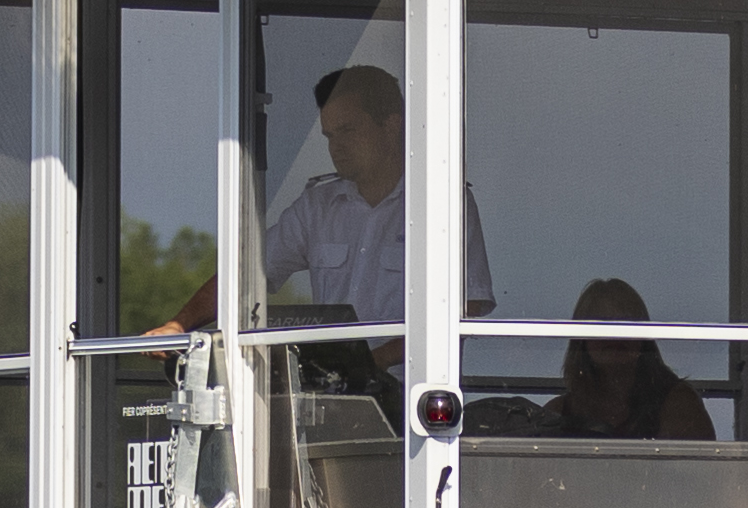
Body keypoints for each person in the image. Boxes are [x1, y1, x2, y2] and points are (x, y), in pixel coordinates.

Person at [147, 65, 497, 331]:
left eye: (347, 131)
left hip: (414, 397)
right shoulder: (317, 208)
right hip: (330, 396)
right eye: (330, 135)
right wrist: (179, 325)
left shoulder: (442, 206)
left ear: (391, 126)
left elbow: (468, 306)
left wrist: (376, 363)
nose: (336, 146)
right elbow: (245, 276)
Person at [548, 279, 716, 441]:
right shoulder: (556, 415)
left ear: (643, 337)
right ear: (581, 340)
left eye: (626, 323)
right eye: (603, 324)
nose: (615, 335)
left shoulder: (679, 405)